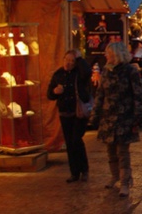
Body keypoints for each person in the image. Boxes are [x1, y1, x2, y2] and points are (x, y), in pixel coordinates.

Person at [92, 42, 142, 197]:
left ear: (116, 54)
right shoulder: (106, 71)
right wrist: (95, 114)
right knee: (110, 150)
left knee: (122, 151)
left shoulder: (130, 71)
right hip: (108, 117)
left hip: (124, 116)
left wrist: (137, 116)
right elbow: (100, 94)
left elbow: (138, 94)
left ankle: (125, 182)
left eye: (108, 53)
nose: (105, 56)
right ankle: (114, 175)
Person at [47, 49, 92, 183]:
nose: (69, 63)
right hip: (64, 113)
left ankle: (84, 170)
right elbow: (49, 94)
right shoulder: (58, 74)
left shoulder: (80, 74)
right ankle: (74, 172)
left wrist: (79, 59)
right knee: (70, 143)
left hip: (78, 113)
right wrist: (55, 92)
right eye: (67, 60)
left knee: (76, 140)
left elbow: (87, 72)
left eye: (72, 61)